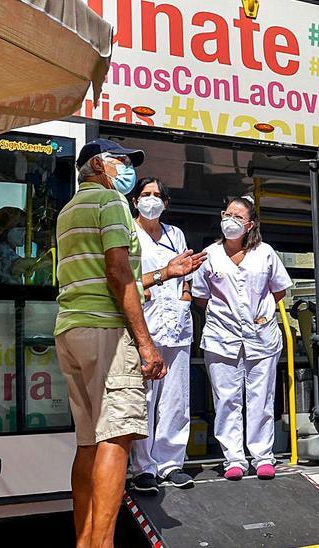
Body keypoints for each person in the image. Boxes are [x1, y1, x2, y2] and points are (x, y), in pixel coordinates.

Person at [53, 139, 201, 547]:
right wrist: (146, 344)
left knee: (88, 442)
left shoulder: (68, 211)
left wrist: (165, 274)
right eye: (122, 162)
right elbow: (119, 275)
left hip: (72, 330)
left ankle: (86, 539)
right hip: (106, 332)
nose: (129, 171)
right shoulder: (111, 204)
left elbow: (110, 276)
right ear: (99, 165)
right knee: (116, 439)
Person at [192, 196, 293, 481]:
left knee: (261, 398)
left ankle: (262, 456)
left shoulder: (265, 253)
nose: (231, 221)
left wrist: (257, 313)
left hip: (261, 336)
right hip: (221, 337)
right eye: (227, 214)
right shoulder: (209, 254)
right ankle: (233, 459)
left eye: (238, 217)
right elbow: (200, 296)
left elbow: (279, 290)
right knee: (227, 399)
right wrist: (227, 315)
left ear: (249, 225)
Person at [127, 177, 208, 494]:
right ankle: (143, 467)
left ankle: (171, 463)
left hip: (176, 323)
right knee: (145, 397)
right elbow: (127, 278)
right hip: (143, 324)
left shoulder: (175, 234)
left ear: (166, 202)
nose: (151, 200)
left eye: (157, 195)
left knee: (176, 398)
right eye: (145, 195)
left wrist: (186, 296)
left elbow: (187, 271)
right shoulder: (129, 232)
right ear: (135, 201)